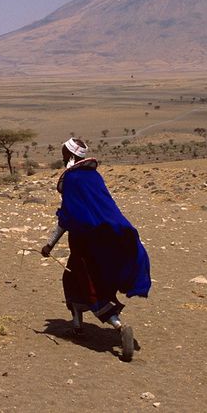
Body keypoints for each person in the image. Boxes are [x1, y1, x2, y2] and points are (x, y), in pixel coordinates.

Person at [41, 137, 151, 361]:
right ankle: (77, 325)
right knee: (72, 279)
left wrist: (49, 244)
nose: (62, 158)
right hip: (107, 237)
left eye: (64, 154)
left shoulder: (72, 179)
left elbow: (68, 216)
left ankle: (118, 325)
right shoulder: (94, 177)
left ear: (70, 156)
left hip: (84, 242)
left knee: (90, 284)